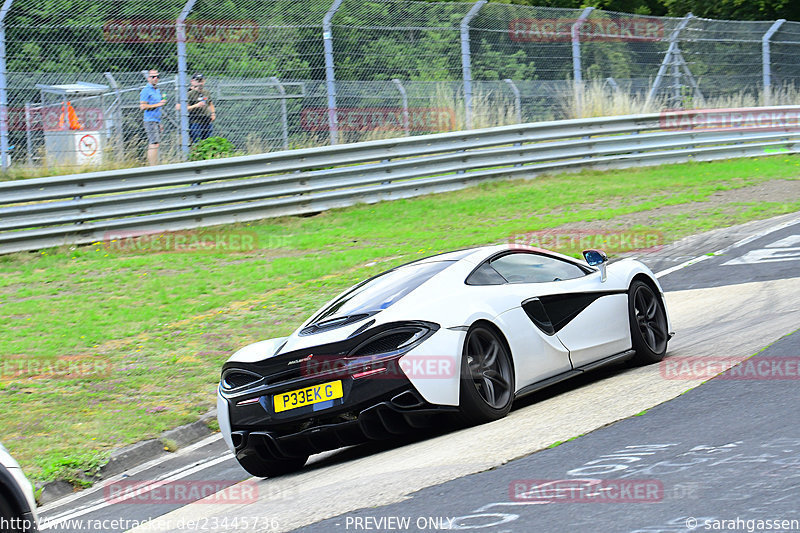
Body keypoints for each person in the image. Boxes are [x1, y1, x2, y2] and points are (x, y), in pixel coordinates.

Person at [139, 69, 166, 165]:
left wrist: (160, 122)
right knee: (153, 143)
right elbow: (143, 106)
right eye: (152, 77)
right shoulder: (146, 90)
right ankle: (152, 166)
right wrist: (158, 104)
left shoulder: (157, 90)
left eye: (157, 77)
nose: (155, 79)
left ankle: (155, 165)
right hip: (150, 120)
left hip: (156, 120)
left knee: (156, 144)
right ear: (148, 78)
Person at [187, 73, 216, 143]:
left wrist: (213, 113)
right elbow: (186, 108)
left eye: (201, 81)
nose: (200, 83)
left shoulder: (206, 92)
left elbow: (210, 104)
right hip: (196, 121)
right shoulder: (190, 94)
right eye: (198, 81)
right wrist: (196, 105)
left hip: (207, 120)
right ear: (194, 82)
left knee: (208, 141)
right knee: (197, 141)